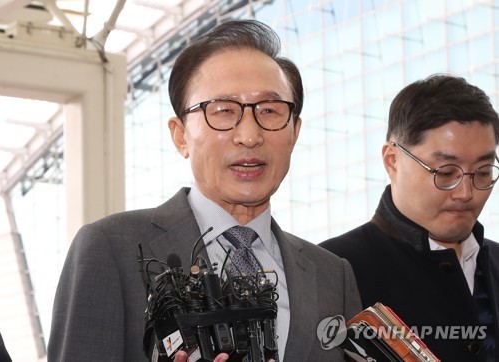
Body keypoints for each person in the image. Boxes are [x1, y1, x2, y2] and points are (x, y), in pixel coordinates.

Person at [48, 19, 361, 361]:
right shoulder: (110, 248)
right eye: (224, 111)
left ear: (294, 132)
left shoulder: (333, 275)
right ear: (180, 135)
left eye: (270, 111)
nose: (249, 135)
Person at [321, 74, 499, 361]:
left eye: (483, 172)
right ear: (393, 160)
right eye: (446, 173)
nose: (466, 193)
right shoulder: (330, 269)